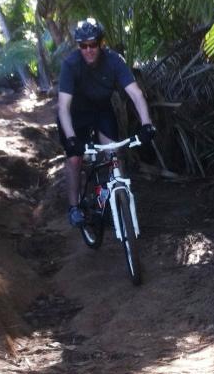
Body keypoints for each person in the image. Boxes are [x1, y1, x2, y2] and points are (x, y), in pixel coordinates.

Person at [58, 18, 155, 227]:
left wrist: (147, 124)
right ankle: (74, 206)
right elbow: (63, 107)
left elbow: (136, 94)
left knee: (113, 153)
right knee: (75, 159)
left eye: (92, 44)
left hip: (101, 110)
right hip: (75, 115)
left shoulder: (114, 61)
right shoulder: (71, 64)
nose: (88, 50)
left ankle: (115, 200)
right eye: (83, 46)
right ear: (78, 46)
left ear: (101, 43)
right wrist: (71, 138)